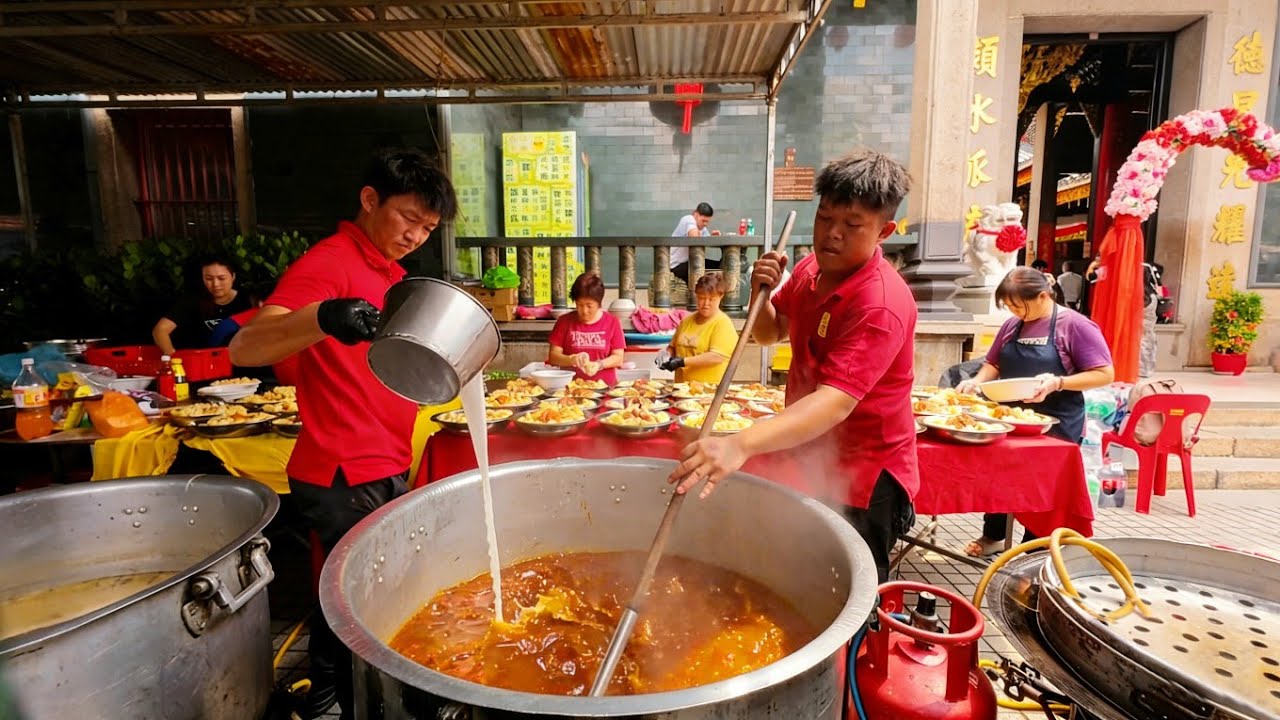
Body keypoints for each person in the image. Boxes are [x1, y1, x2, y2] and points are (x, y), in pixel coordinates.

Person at [229, 147, 457, 720]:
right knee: (365, 599)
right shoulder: (332, 261)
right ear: (370, 200)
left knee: (360, 591)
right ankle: (342, 702)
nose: (415, 235)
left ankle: (333, 697)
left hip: (380, 456)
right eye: (408, 218)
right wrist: (325, 316)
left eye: (428, 228)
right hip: (342, 465)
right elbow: (245, 346)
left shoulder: (390, 273)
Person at [667, 148, 918, 583]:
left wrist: (740, 444)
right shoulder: (809, 269)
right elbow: (769, 332)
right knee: (800, 569)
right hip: (811, 454)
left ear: (885, 230)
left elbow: (834, 403)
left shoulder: (880, 303)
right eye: (825, 218)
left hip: (864, 473)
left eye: (852, 225)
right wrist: (758, 292)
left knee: (850, 583)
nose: (832, 234)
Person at [957, 267, 1114, 556]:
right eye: (1009, 306)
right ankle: (993, 536)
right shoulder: (1012, 326)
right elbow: (994, 363)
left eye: (1019, 305)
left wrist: (1059, 382)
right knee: (1001, 479)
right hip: (1010, 419)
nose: (1014, 312)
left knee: (1042, 490)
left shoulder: (1075, 326)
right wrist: (976, 382)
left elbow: (1104, 373)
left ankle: (1035, 547)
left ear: (1043, 296)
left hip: (1056, 422)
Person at [151, 255, 253, 354]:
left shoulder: (248, 300)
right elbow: (160, 330)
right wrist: (171, 354)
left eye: (221, 278)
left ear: (233, 276)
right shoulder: (194, 300)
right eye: (208, 279)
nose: (215, 284)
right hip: (204, 362)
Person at [658, 272, 738, 384]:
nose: (706, 303)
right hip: (681, 389)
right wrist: (665, 356)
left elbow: (716, 357)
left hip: (709, 391)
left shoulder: (722, 323)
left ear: (721, 297)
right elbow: (672, 347)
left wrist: (682, 362)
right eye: (701, 298)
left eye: (711, 299)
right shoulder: (686, 321)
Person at [547, 272, 626, 385]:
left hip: (604, 388)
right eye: (579, 305)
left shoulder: (612, 322)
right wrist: (572, 359)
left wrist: (599, 364)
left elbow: (618, 358)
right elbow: (553, 357)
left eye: (589, 306)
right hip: (572, 389)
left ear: (599, 303)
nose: (584, 311)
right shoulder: (564, 321)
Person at [669, 202, 722, 285]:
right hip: (676, 265)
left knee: (719, 266)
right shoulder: (688, 219)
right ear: (695, 214)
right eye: (703, 221)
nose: (705, 224)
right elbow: (695, 238)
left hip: (691, 262)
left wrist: (713, 237)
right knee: (706, 272)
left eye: (707, 222)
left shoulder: (702, 228)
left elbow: (707, 242)